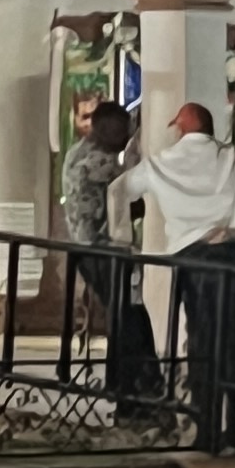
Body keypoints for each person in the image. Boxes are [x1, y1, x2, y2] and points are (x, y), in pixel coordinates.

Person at [125, 100, 235, 455]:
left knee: (202, 340)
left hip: (194, 258)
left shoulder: (162, 162)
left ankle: (207, 430)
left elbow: (120, 189)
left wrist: (118, 234)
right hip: (231, 254)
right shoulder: (229, 154)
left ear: (180, 128)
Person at [59, 96, 159, 407]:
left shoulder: (77, 151)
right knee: (127, 318)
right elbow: (134, 198)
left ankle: (126, 385)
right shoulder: (101, 162)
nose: (125, 137)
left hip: (86, 248)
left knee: (125, 316)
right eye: (121, 131)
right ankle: (131, 389)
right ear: (105, 129)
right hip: (103, 251)